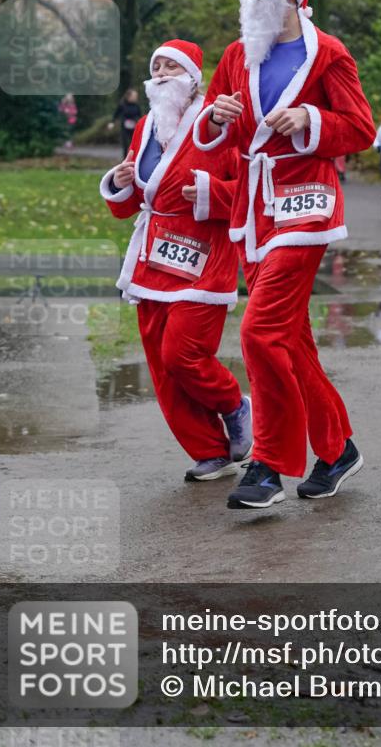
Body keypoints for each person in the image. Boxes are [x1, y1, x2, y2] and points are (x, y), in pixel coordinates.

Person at [193, 0, 376, 509]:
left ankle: (269, 465)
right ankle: (338, 447)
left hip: (306, 205)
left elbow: (361, 127)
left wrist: (310, 119)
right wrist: (214, 119)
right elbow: (217, 132)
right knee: (291, 341)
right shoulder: (235, 56)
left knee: (258, 332)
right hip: (252, 212)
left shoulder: (329, 56)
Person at [99, 39, 252, 482]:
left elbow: (245, 188)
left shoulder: (216, 119)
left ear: (192, 76)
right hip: (152, 258)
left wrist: (210, 193)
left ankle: (233, 404)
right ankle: (210, 450)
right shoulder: (145, 125)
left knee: (182, 354)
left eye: (172, 66)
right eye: (158, 66)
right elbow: (131, 203)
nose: (163, 73)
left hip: (203, 258)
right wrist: (120, 180)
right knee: (162, 367)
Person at [108, 88, 142, 155]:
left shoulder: (137, 106)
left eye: (136, 96)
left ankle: (134, 158)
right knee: (125, 144)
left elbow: (140, 116)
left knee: (135, 143)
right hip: (125, 127)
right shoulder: (122, 104)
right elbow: (116, 114)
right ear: (129, 96)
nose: (136, 98)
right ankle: (125, 159)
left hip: (134, 127)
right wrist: (112, 122)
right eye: (134, 96)